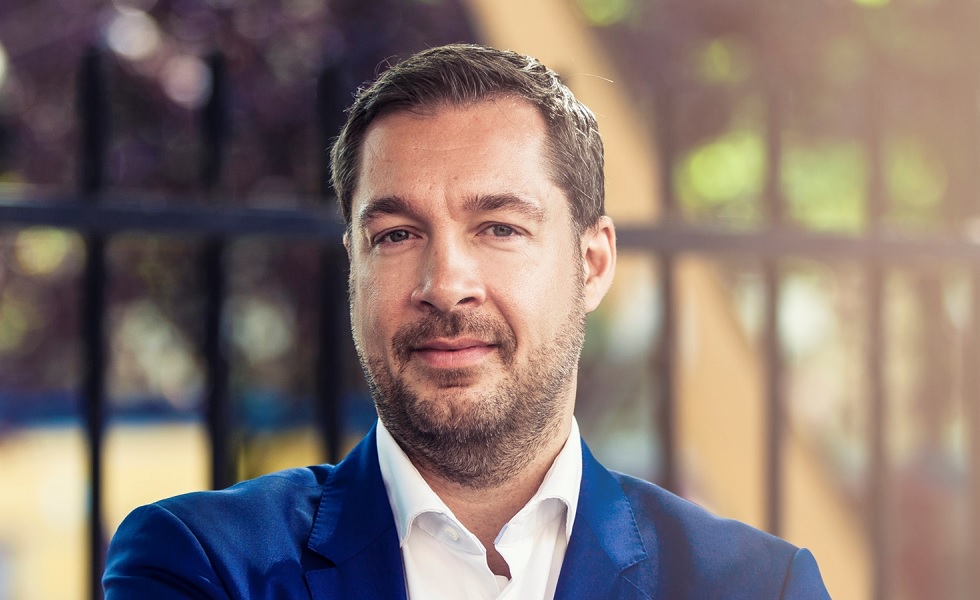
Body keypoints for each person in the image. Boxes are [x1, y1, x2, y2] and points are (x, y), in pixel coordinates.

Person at [103, 43, 831, 599]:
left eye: (500, 228)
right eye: (396, 235)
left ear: (592, 263)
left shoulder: (757, 586)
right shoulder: (201, 563)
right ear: (354, 265)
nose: (445, 286)